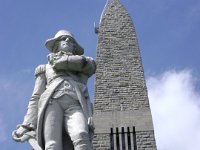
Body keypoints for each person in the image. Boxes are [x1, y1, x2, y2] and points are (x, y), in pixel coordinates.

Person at [12, 30, 96, 150]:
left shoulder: (81, 65)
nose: (67, 40)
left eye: (70, 40)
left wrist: (63, 62)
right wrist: (27, 125)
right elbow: (35, 97)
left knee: (82, 135)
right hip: (52, 103)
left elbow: (91, 65)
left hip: (75, 103)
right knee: (52, 145)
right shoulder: (44, 68)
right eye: (63, 38)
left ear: (74, 46)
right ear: (56, 44)